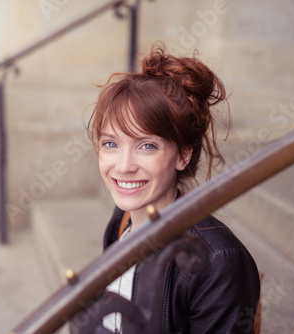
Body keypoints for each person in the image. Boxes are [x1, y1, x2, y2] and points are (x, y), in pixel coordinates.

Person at [77, 44, 261, 333]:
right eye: (110, 144)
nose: (124, 166)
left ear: (183, 155)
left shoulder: (218, 262)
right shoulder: (122, 219)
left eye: (147, 146)